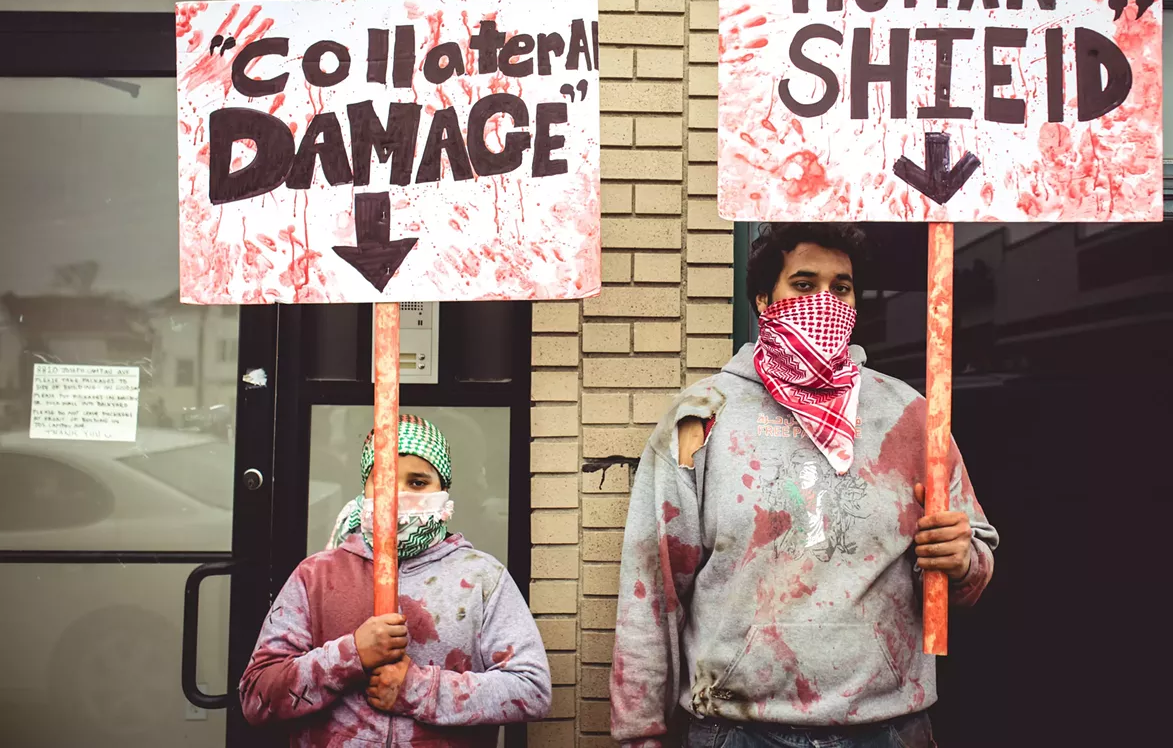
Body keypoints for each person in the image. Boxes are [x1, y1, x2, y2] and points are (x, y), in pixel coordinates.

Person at [610, 223, 998, 748]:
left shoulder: (908, 415)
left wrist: (963, 560)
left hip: (886, 729)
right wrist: (641, 735)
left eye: (841, 287)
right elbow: (653, 590)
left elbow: (972, 555)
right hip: (739, 729)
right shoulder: (701, 418)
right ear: (763, 298)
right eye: (804, 284)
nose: (825, 302)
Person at [240, 414, 551, 747]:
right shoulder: (316, 577)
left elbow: (531, 689)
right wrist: (350, 655)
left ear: (443, 492)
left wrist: (419, 690)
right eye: (384, 481)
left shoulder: (481, 578)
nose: (398, 496)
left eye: (418, 483)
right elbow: (258, 697)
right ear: (365, 489)